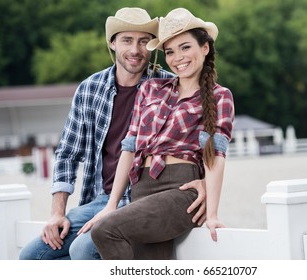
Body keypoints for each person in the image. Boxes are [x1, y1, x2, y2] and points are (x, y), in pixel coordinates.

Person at [19, 7, 206, 260]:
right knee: (32, 257)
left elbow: (202, 141)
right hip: (98, 199)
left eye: (143, 42)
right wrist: (57, 212)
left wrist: (202, 182)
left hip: (143, 199)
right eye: (127, 40)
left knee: (83, 249)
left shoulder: (170, 86)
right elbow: (67, 154)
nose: (135, 50)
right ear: (112, 43)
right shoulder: (90, 89)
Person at [78, 7, 235, 260]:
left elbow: (216, 154)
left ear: (205, 48)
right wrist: (111, 205)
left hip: (181, 188)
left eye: (185, 47)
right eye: (170, 52)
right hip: (142, 186)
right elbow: (129, 147)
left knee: (105, 230)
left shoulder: (220, 96)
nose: (177, 58)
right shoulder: (151, 89)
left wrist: (213, 212)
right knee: (152, 265)